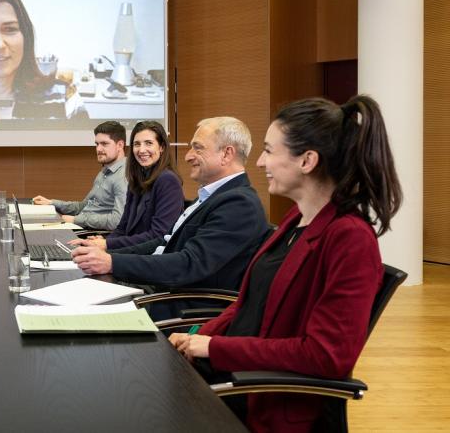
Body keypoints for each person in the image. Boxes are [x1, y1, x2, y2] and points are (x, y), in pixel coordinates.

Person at [169, 96, 402, 432]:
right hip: (232, 375)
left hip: (263, 396)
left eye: (269, 150)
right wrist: (195, 337)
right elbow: (249, 306)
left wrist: (216, 347)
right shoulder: (296, 220)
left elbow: (325, 356)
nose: (261, 162)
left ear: (307, 160)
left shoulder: (350, 238)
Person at [70, 117, 269, 292]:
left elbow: (188, 264)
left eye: (197, 148)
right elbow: (163, 242)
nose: (188, 155)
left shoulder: (238, 204)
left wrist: (112, 261)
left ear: (226, 154)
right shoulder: (211, 197)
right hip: (156, 284)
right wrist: (107, 254)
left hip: (171, 300)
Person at [79, 121, 184, 250]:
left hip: (149, 258)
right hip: (131, 251)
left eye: (149, 143)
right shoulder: (137, 179)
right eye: (137, 144)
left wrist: (107, 244)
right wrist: (103, 241)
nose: (141, 150)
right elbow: (123, 228)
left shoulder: (167, 180)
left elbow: (158, 236)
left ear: (161, 147)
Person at [32, 121, 129, 230]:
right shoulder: (105, 171)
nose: (98, 149)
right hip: (82, 227)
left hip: (96, 235)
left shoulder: (123, 176)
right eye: (97, 144)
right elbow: (83, 207)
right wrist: (52, 203)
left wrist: (75, 220)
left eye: (104, 144)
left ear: (120, 145)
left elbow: (117, 221)